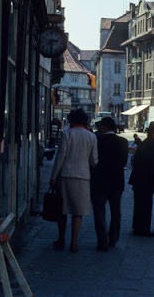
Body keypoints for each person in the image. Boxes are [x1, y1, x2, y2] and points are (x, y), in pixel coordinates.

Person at [50, 108, 98, 253]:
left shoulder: (67, 134)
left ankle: (61, 238)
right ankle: (74, 242)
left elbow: (61, 157)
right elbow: (94, 161)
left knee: (63, 210)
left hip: (66, 175)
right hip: (83, 177)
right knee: (78, 212)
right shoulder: (91, 137)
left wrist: (53, 177)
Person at [91, 117, 129, 251]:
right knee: (116, 212)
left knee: (99, 212)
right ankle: (113, 238)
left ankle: (102, 241)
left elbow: (92, 161)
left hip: (99, 181)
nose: (98, 129)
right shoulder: (123, 142)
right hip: (117, 181)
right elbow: (124, 162)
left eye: (100, 126)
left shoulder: (97, 141)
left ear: (105, 127)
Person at [128, 121, 154, 237]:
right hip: (146, 180)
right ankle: (143, 229)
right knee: (145, 205)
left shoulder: (144, 143)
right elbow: (153, 164)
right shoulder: (151, 145)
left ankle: (137, 227)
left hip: (139, 179)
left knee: (139, 205)